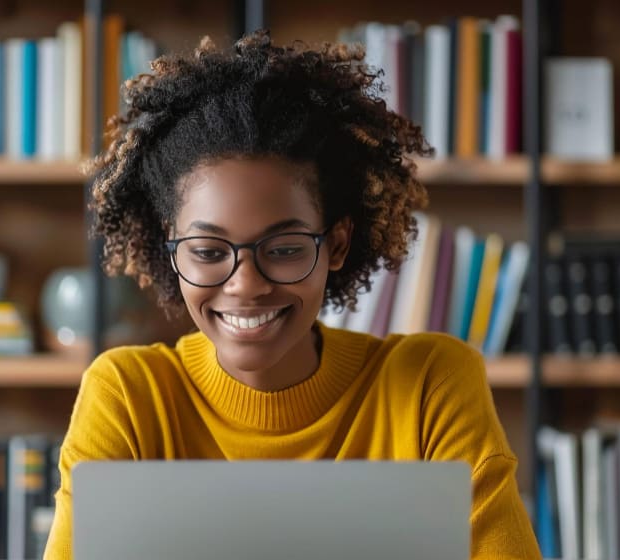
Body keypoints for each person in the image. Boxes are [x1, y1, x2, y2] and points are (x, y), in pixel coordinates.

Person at [44, 30, 540, 559]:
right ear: (173, 253)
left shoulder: (428, 388)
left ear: (338, 244)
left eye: (283, 248)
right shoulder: (128, 397)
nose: (246, 284)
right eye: (209, 251)